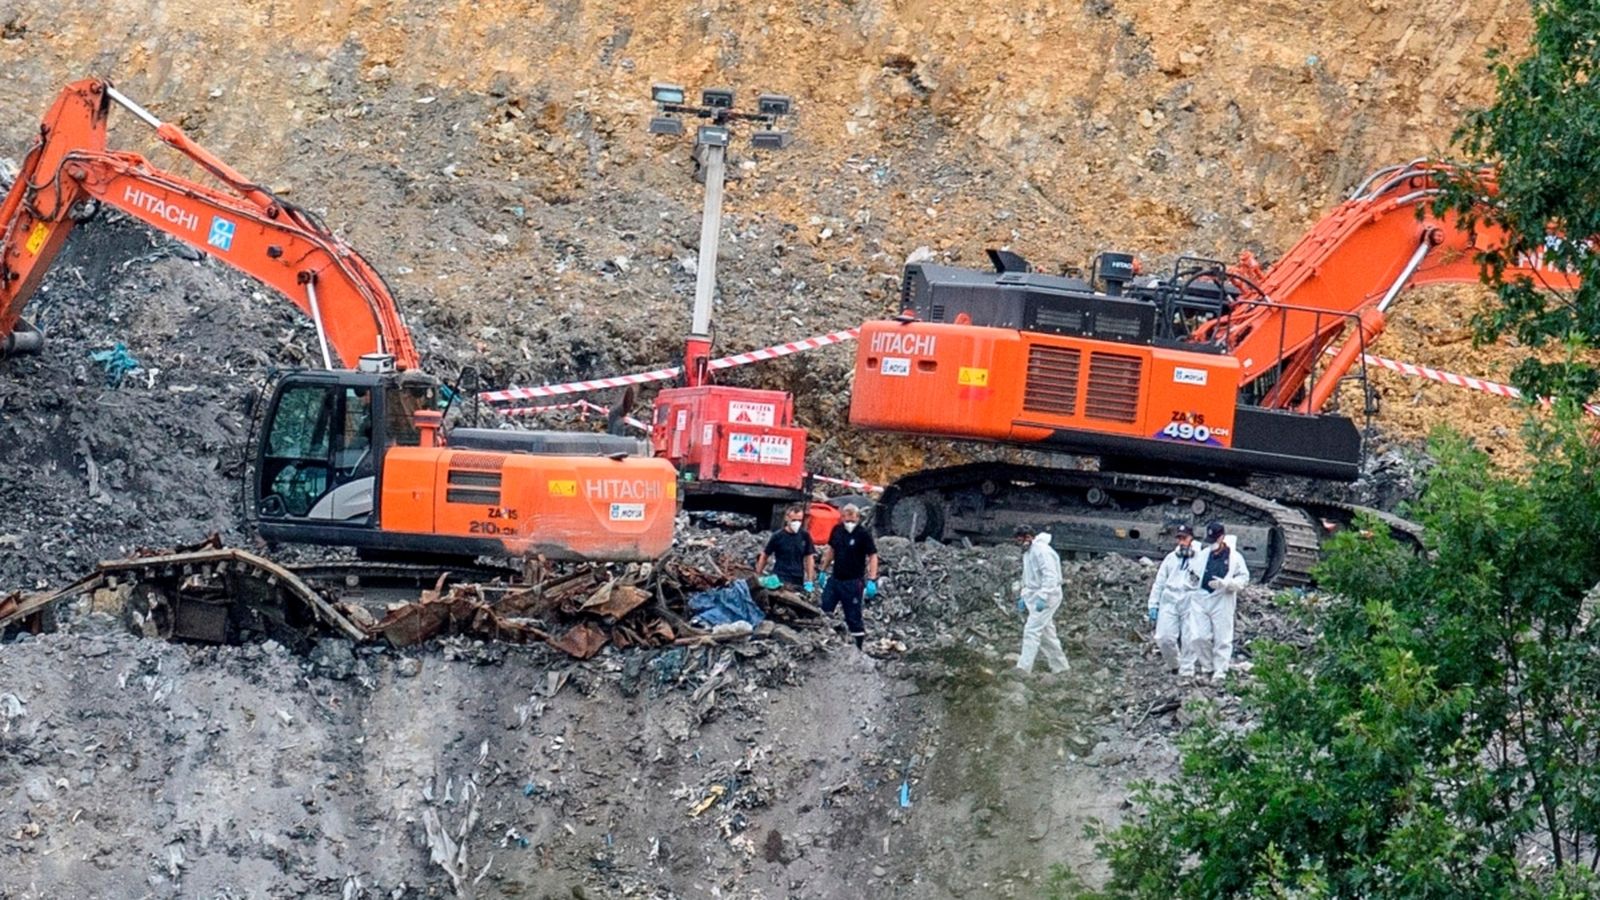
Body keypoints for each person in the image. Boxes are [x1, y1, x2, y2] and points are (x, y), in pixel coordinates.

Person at [1179, 520, 1249, 684]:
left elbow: (1243, 578)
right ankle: (1207, 666)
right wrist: (1191, 584)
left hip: (1222, 597)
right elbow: (1192, 573)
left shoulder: (1235, 558)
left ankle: (1220, 671)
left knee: (1222, 637)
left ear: (1222, 537)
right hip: (1202, 597)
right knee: (1198, 636)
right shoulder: (1203, 555)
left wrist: (1227, 584)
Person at [818, 504, 879, 650]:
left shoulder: (863, 534)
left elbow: (873, 555)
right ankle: (825, 641)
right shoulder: (837, 531)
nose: (849, 523)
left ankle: (858, 647)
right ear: (842, 518)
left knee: (853, 616)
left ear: (858, 518)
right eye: (847, 519)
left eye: (853, 520)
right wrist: (823, 570)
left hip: (853, 582)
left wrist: (871, 579)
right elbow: (831, 550)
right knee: (824, 610)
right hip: (835, 579)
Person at [1013, 523, 1070, 677]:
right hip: (1035, 595)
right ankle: (1061, 668)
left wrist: (1043, 596)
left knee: (1031, 630)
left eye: (1021, 539)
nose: (1019, 543)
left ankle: (1023, 669)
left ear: (1029, 537)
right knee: (1046, 634)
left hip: (1047, 596)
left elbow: (1050, 576)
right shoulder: (1029, 551)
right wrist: (1024, 596)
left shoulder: (1042, 551)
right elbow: (1029, 577)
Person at [1147, 523, 1199, 674]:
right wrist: (1153, 604)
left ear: (1191, 538)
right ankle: (1175, 664)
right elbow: (1160, 582)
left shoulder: (1200, 558)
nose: (1182, 542)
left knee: (1190, 638)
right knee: (1164, 637)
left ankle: (1187, 671)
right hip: (1170, 598)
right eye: (1179, 538)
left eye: (1185, 538)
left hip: (1190, 598)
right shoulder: (1171, 559)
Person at [754, 503, 816, 592]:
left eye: (799, 520)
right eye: (794, 520)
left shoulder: (804, 536)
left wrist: (810, 581)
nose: (797, 523)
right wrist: (758, 575)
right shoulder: (778, 536)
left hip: (797, 578)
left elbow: (809, 558)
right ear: (787, 518)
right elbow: (765, 555)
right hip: (780, 577)